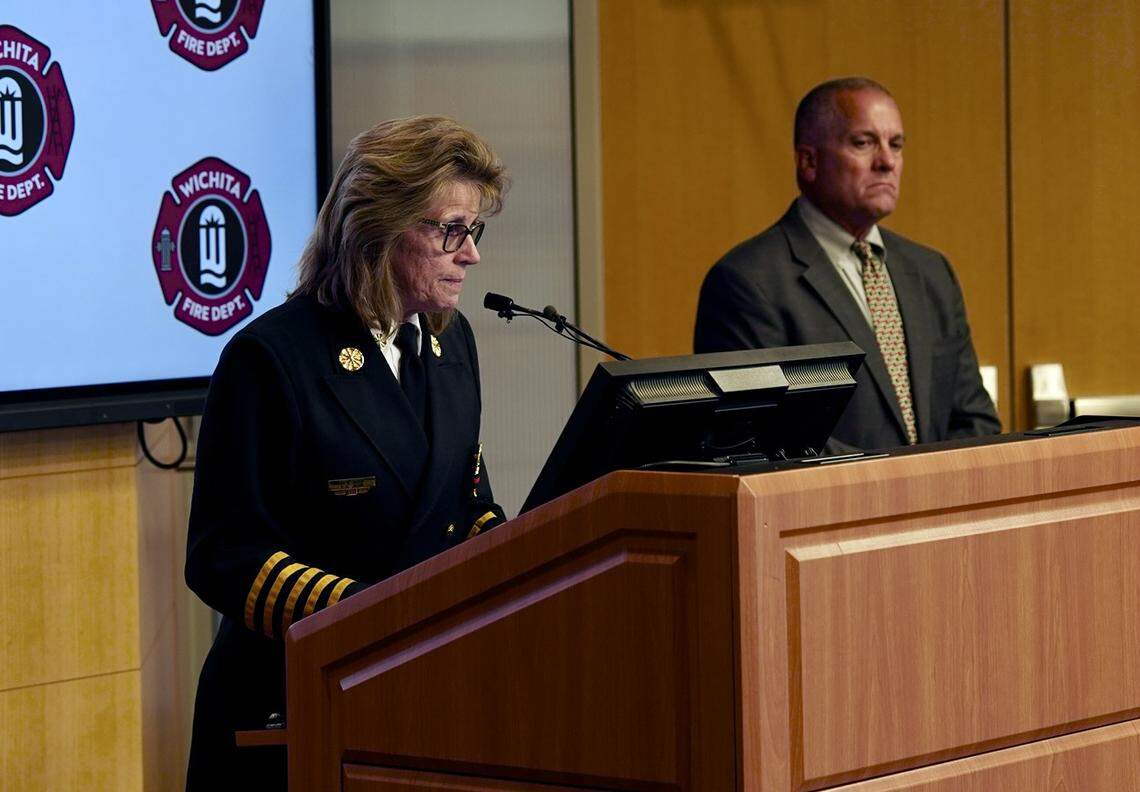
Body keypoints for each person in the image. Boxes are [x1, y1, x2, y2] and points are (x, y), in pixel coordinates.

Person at [184, 116, 509, 789]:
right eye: (450, 230)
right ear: (378, 228)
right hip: (289, 712)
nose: (470, 254)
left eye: (473, 231)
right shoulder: (271, 358)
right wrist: (377, 621)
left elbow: (468, 506)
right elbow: (225, 558)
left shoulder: (452, 347)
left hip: (414, 695)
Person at [694, 77, 1000, 451]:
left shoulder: (932, 272)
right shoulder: (747, 282)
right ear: (809, 161)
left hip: (939, 506)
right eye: (864, 143)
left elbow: (974, 418)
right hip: (827, 508)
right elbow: (765, 438)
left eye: (896, 144)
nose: (887, 161)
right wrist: (894, 487)